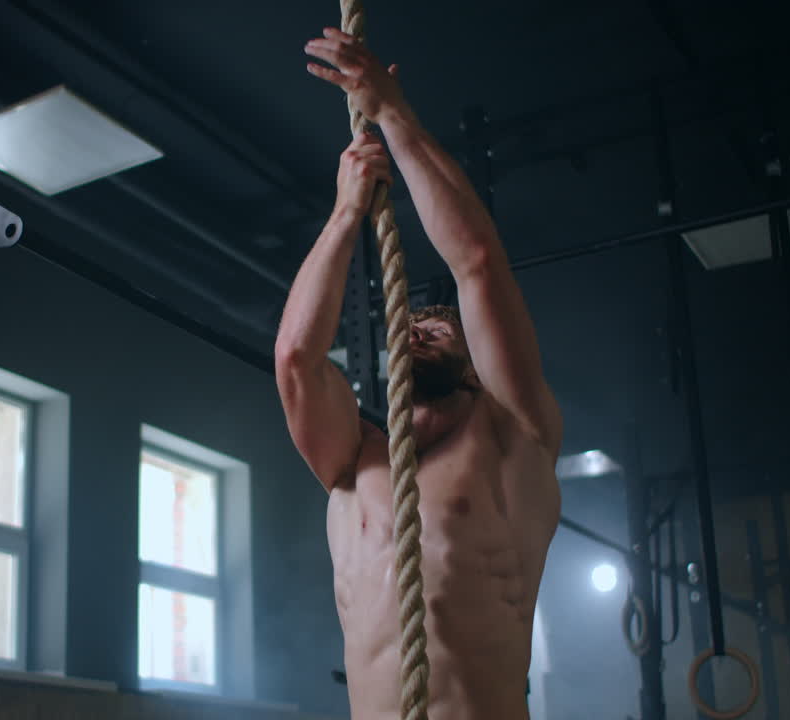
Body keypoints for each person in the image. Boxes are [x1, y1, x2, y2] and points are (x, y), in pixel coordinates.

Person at [273, 27, 564, 720]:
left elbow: (478, 266)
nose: (414, 330)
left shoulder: (513, 438)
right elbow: (295, 359)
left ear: (473, 362)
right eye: (407, 329)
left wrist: (395, 117)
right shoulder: (351, 460)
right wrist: (347, 211)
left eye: (436, 330)